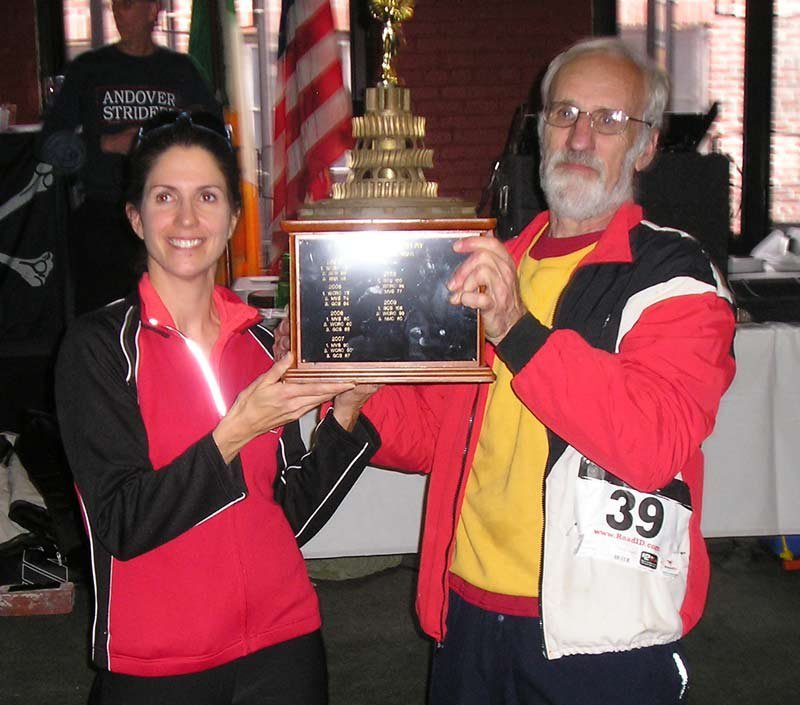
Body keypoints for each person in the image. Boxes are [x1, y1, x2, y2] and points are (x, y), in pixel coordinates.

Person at [315, 37, 737, 704]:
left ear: (647, 146)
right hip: (471, 611)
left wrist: (516, 329)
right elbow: (444, 431)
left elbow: (651, 439)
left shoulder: (674, 276)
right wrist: (351, 387)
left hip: (604, 635)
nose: (579, 135)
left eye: (607, 120)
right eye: (564, 113)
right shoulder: (494, 263)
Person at [54, 111, 380, 705]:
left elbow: (289, 517)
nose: (185, 219)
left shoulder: (259, 345)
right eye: (164, 197)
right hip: (158, 663)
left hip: (286, 645)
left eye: (206, 196)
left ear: (232, 218)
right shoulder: (99, 348)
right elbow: (122, 523)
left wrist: (347, 413)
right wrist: (235, 431)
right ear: (135, 217)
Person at [40, 0, 220, 314]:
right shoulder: (90, 69)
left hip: (169, 216)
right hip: (104, 216)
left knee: (171, 313)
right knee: (103, 322)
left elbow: (214, 135)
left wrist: (175, 137)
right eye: (115, 5)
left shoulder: (181, 71)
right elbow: (51, 145)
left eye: (127, 5)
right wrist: (108, 143)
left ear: (153, 10)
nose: (118, 12)